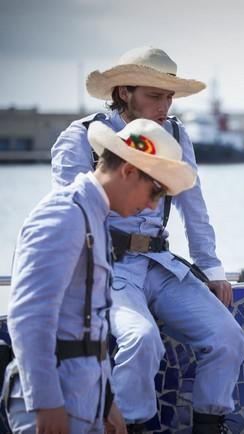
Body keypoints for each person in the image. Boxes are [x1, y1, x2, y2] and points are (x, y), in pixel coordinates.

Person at [50, 46, 244, 434]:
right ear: (124, 91)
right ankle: (131, 427)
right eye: (154, 96)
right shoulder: (81, 136)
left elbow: (194, 205)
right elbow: (66, 213)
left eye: (169, 96)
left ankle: (209, 425)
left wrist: (210, 267)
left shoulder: (175, 133)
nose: (164, 105)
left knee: (228, 337)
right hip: (107, 266)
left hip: (160, 263)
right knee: (141, 340)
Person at [6, 119, 195, 434]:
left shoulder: (94, 217)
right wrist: (46, 402)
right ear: (129, 171)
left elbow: (91, 326)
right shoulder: (64, 214)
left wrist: (107, 402)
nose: (152, 204)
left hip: (83, 402)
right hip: (51, 406)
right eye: (155, 190)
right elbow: (28, 316)